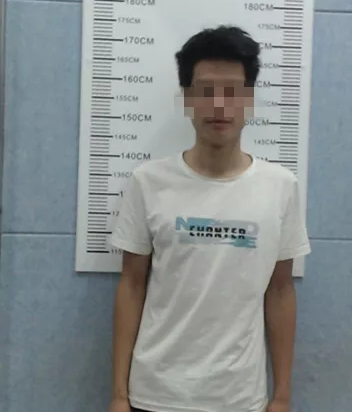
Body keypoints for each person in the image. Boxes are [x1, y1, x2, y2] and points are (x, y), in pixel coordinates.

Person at [108, 25, 311, 412]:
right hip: (155, 394)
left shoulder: (280, 187)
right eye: (205, 91)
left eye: (232, 92)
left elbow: (281, 291)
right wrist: (118, 395)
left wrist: (282, 396)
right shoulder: (147, 182)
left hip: (239, 398)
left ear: (249, 99)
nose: (219, 105)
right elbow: (131, 285)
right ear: (187, 99)